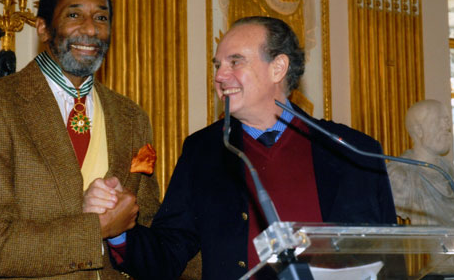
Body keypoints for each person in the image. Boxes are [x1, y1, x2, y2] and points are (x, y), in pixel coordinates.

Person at [86, 16, 397, 279]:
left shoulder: (353, 151)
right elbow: (168, 252)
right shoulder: (203, 151)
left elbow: (383, 258)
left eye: (235, 62)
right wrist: (119, 229)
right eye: (218, 64)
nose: (220, 76)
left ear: (278, 68)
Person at [0, 0, 160, 280]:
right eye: (74, 14)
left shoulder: (134, 118)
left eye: (101, 18)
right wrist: (97, 230)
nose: (90, 29)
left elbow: (149, 223)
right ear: (43, 28)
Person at [387, 99, 454, 226]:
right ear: (419, 130)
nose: (446, 126)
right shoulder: (399, 174)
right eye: (438, 121)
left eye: (447, 120)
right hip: (424, 245)